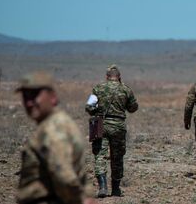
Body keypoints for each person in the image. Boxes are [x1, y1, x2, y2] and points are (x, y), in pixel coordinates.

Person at [16, 71, 96, 204]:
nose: (29, 103)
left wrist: (80, 199)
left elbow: (64, 176)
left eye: (35, 96)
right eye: (25, 96)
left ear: (52, 97)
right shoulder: (61, 122)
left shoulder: (54, 130)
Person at [85, 65, 138, 197]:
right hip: (118, 126)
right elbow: (133, 108)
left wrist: (96, 110)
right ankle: (116, 189)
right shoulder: (126, 89)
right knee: (117, 157)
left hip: (100, 125)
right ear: (119, 77)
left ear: (107, 77)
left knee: (99, 155)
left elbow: (89, 107)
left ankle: (102, 187)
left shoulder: (98, 88)